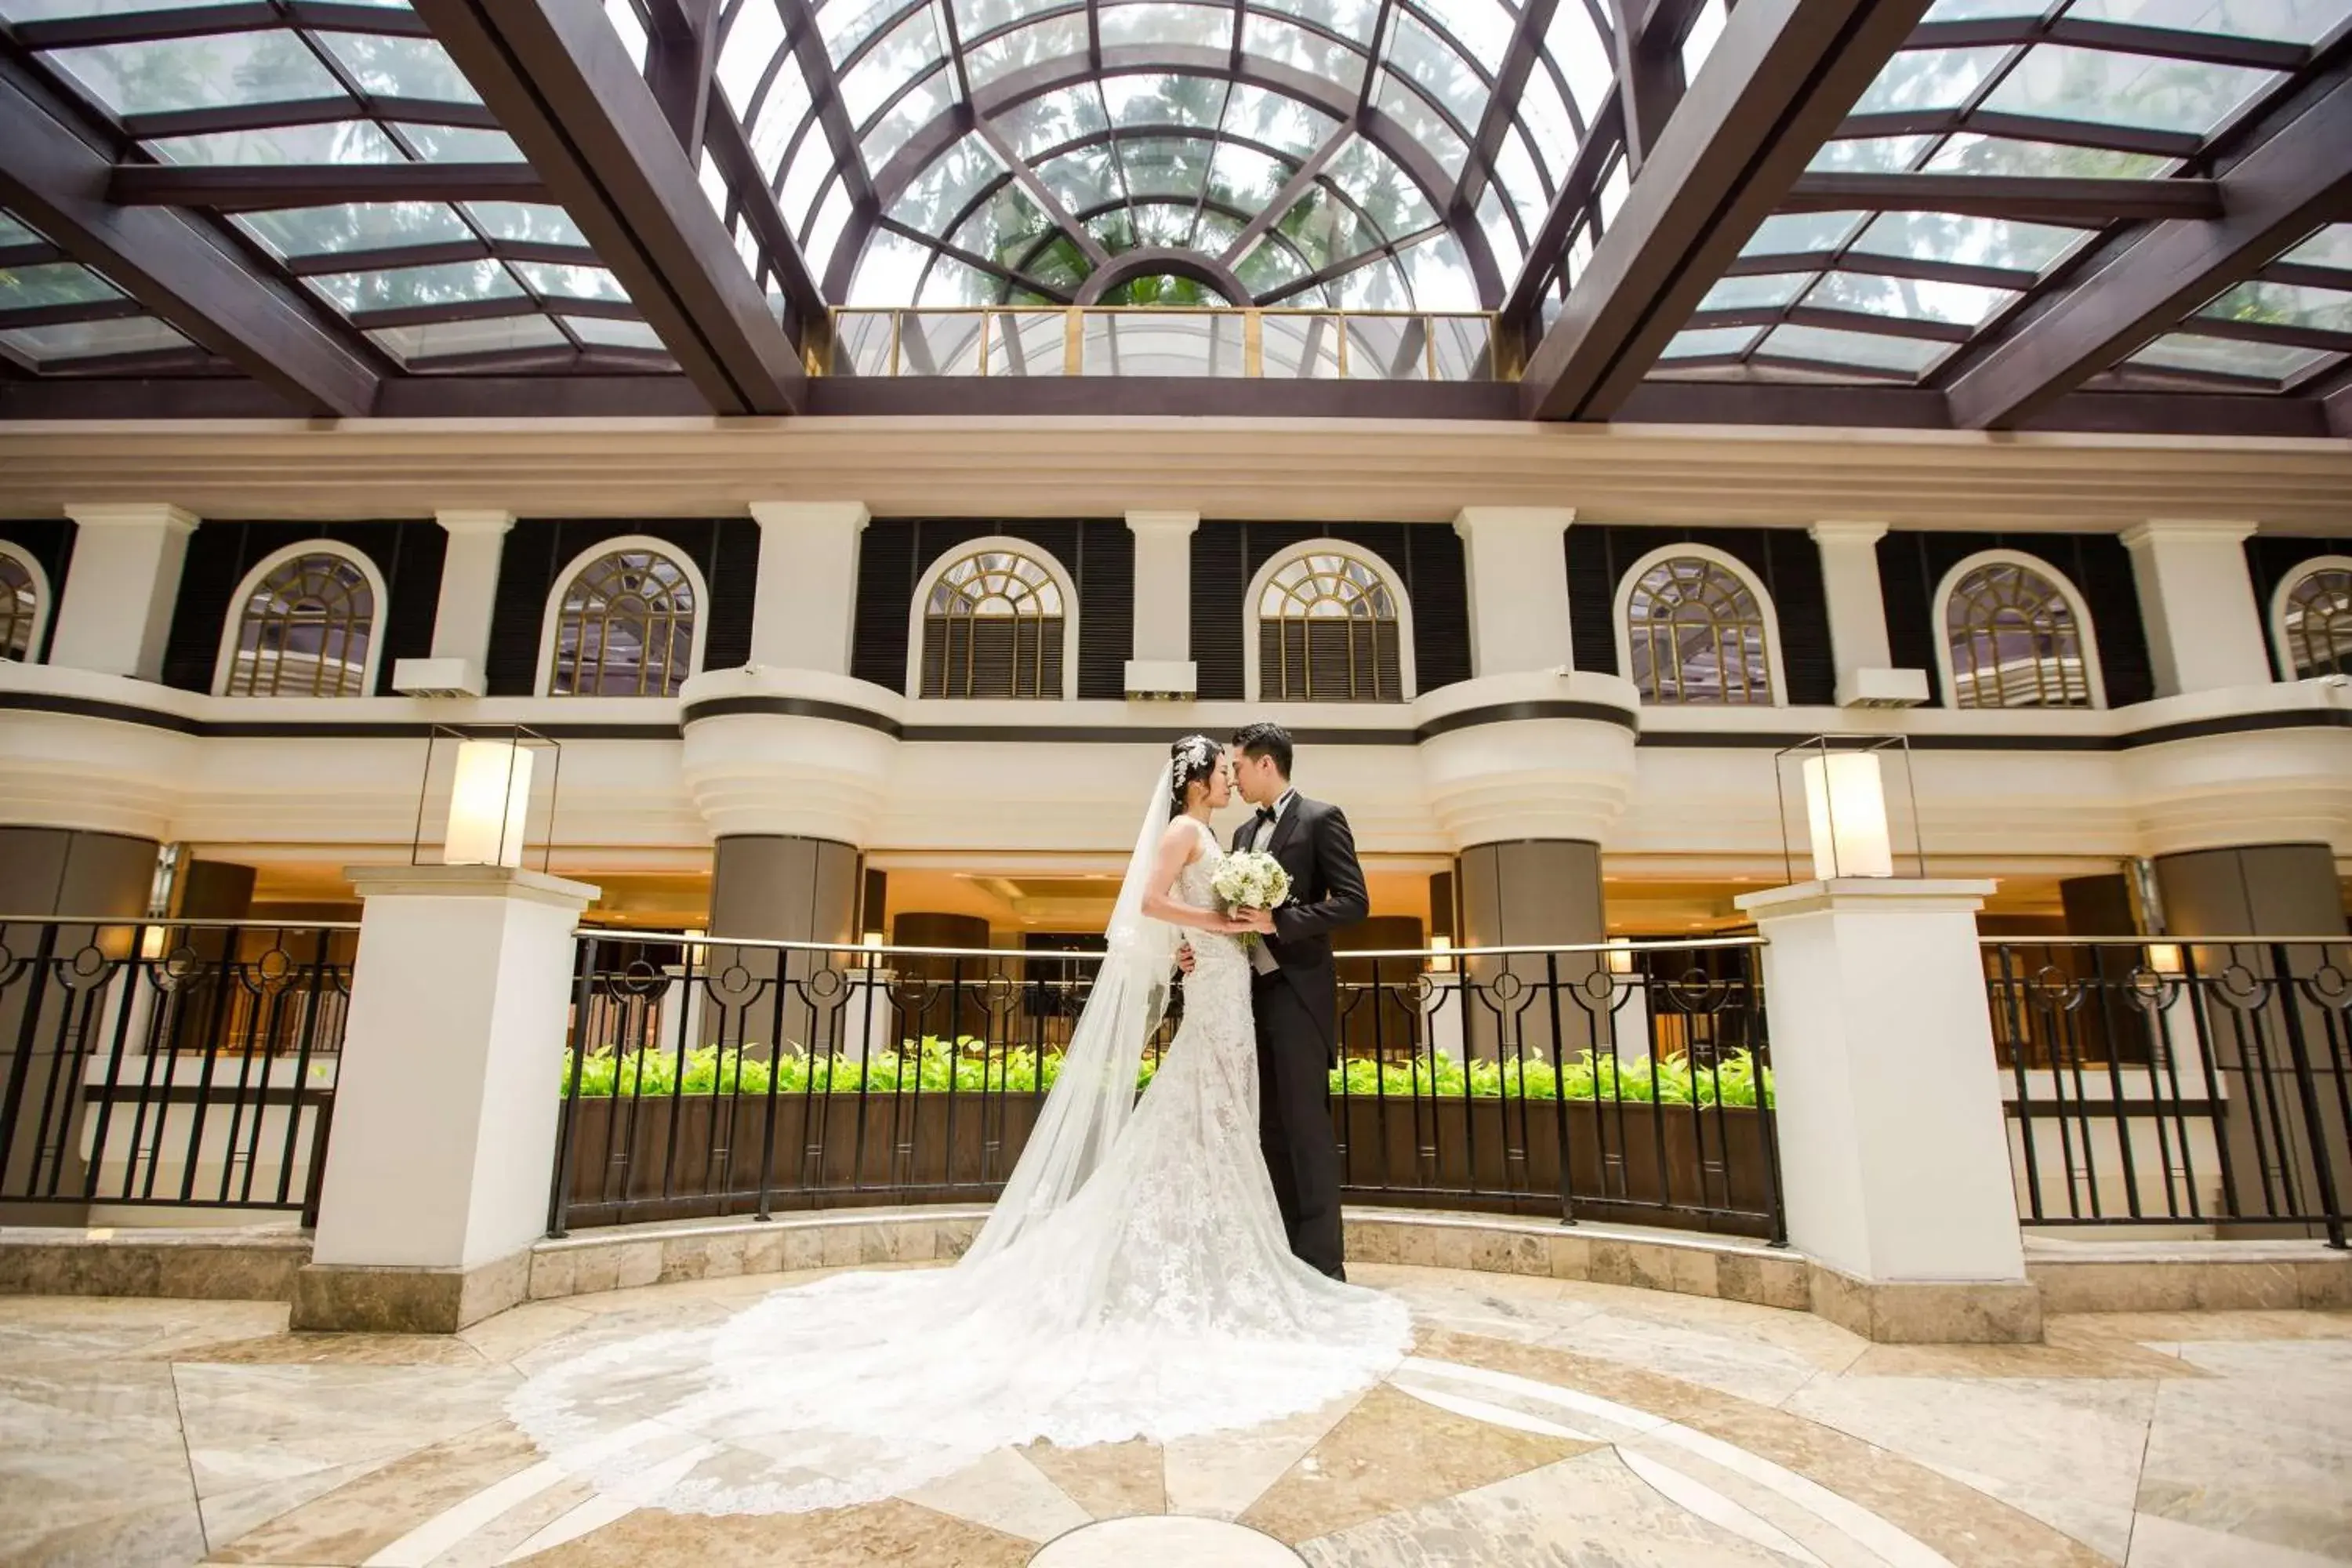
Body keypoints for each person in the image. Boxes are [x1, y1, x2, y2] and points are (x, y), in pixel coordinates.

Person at [503, 735, 1410, 1517]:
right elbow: (1145, 903)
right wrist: (1206, 919)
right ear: (1197, 779)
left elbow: (1248, 916)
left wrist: (1222, 928)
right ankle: (1202, 1255)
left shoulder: (1229, 833)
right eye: (1216, 769)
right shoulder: (1187, 830)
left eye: (1228, 768)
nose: (1224, 778)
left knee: (1218, 1121)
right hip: (1215, 992)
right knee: (1193, 1118)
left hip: (1229, 994)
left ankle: (1234, 1248)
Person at [1184, 721, 1368, 1280]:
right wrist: (1192, 952)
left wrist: (1280, 921)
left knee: (1305, 1127)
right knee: (1266, 1130)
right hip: (1246, 995)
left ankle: (1323, 1268)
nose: (1232, 777)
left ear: (1266, 765)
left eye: (1237, 766)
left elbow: (1354, 902)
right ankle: (1281, 1257)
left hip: (1297, 991)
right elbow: (1225, 916)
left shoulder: (1320, 818)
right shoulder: (1239, 836)